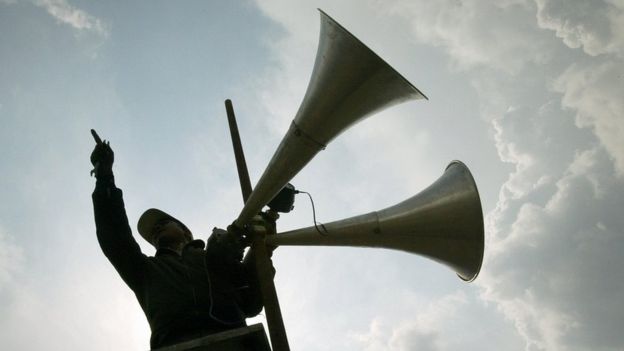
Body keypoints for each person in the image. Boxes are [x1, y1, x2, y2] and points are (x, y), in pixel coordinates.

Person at [90, 130, 268, 349]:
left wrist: (265, 247)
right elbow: (114, 236)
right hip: (175, 345)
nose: (156, 229)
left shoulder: (215, 256)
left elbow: (251, 300)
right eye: (153, 231)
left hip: (236, 343)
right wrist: (104, 175)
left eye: (163, 223)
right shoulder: (145, 271)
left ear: (186, 231)